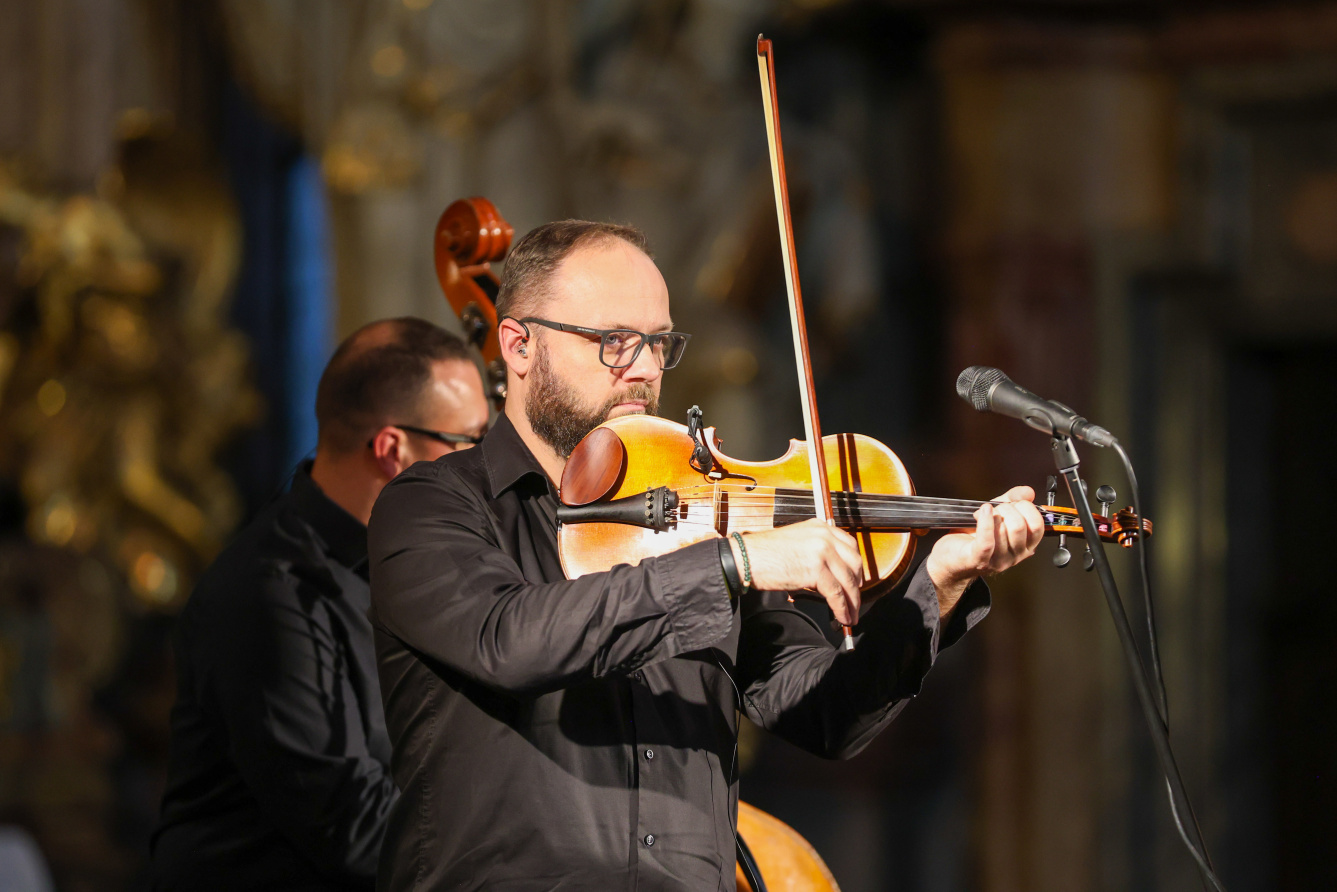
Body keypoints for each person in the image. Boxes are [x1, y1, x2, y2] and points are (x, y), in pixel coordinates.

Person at [367, 222, 1044, 892]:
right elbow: (508, 641)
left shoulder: (697, 520)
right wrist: (734, 565)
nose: (645, 369)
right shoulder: (432, 506)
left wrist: (939, 581)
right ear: (517, 345)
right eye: (612, 343)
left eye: (659, 343)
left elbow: (826, 714)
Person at [150, 318, 490, 892]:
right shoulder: (268, 593)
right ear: (392, 449)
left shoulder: (422, 566)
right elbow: (352, 828)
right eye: (472, 442)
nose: (485, 468)